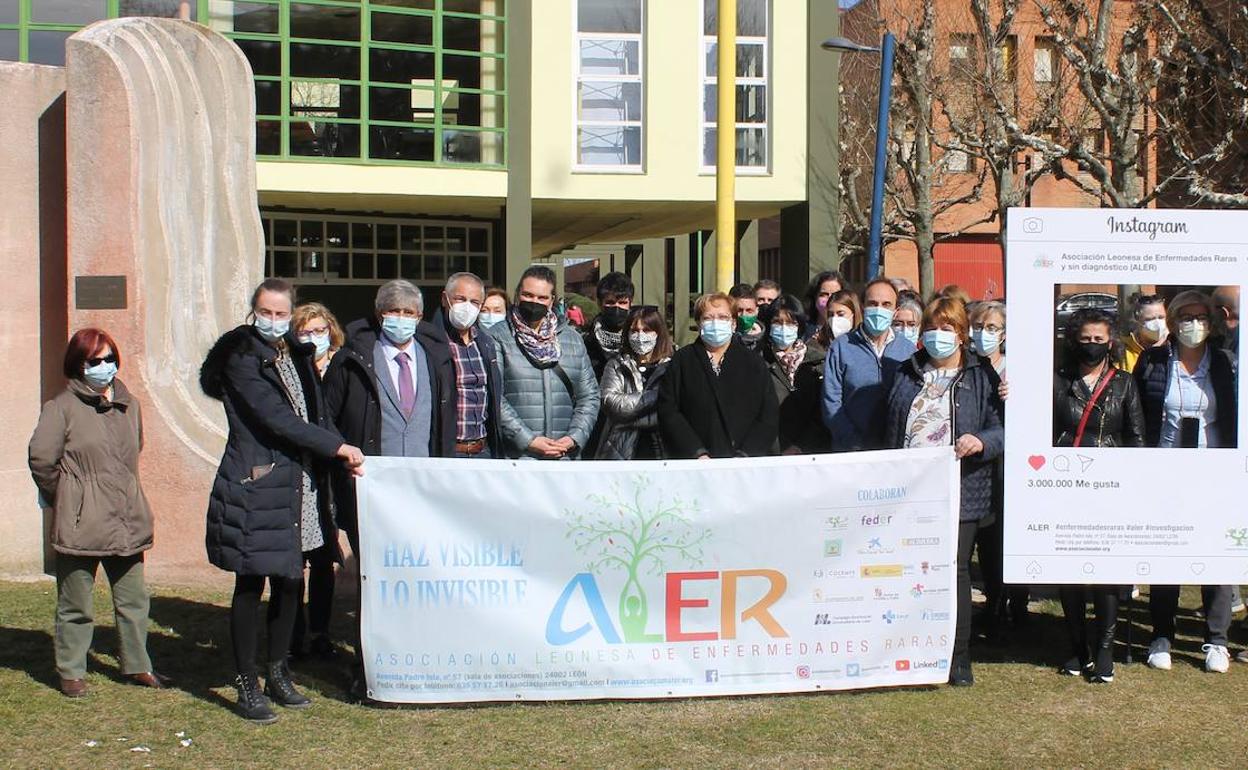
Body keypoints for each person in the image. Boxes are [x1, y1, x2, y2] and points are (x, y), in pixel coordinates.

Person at [200, 278, 364, 723]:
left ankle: (278, 671)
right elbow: (275, 420)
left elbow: (315, 414)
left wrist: (332, 450)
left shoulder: (296, 353)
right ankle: (246, 683)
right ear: (253, 311)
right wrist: (338, 447)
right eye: (264, 312)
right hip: (260, 482)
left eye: (280, 313)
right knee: (251, 583)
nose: (273, 321)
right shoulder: (241, 357)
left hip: (302, 483)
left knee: (292, 579)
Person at [28, 329, 164, 698]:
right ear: (78, 365)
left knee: (134, 600)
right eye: (95, 361)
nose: (105, 367)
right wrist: (72, 495)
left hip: (126, 518)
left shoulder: (128, 403)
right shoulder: (61, 408)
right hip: (81, 523)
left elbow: (134, 449)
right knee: (75, 603)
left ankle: (138, 664)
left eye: (110, 358)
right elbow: (42, 459)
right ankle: (72, 670)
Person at [884, 296, 1004, 687]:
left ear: (961, 334)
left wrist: (981, 441)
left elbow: (1003, 430)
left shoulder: (982, 376)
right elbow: (890, 422)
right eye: (932, 328)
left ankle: (958, 656)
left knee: (954, 571)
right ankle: (906, 649)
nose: (939, 335)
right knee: (907, 570)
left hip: (962, 487)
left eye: (948, 328)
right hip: (909, 490)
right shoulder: (906, 371)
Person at [1134, 290, 1238, 674]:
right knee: (1167, 552)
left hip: (1216, 471)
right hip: (1165, 471)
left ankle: (1217, 639)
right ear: (1173, 322)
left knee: (1217, 554)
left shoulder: (1227, 365)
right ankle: (1161, 635)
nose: (1193, 324)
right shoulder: (1154, 361)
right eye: (1185, 317)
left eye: (1201, 317)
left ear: (1211, 322)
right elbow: (1140, 410)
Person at [1051, 308, 1145, 682]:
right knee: (1070, 569)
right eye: (1086, 339)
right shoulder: (1058, 381)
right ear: (1075, 340)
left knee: (1107, 569)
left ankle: (1104, 648)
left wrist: (1136, 482)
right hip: (1066, 482)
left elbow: (1136, 434)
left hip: (1112, 483)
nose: (1093, 346)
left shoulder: (1124, 383)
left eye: (1099, 339)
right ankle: (1077, 647)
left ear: (1111, 342)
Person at [489, 265, 600, 459]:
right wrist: (528, 440)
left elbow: (589, 396)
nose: (534, 302)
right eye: (528, 295)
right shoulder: (498, 336)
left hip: (563, 456)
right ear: (517, 295)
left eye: (542, 298)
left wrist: (573, 438)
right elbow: (494, 397)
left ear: (552, 301)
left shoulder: (572, 339)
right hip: (516, 457)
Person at [288, 302, 347, 663]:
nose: (314, 338)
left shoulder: (342, 366)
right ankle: (293, 633)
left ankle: (321, 631)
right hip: (298, 472)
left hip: (332, 475)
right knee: (294, 560)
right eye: (306, 332)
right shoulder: (288, 369)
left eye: (320, 331)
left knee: (325, 558)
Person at [659, 293, 778, 458]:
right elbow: (669, 410)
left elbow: (768, 414)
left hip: (744, 462)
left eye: (723, 317)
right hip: (695, 461)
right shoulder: (682, 360)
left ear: (734, 324)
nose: (716, 323)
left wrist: (746, 454)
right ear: (699, 324)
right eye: (708, 318)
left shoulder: (753, 363)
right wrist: (697, 452)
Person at [822, 278, 914, 451]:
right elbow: (831, 403)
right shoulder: (841, 348)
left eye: (886, 304)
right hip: (851, 453)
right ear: (862, 308)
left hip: (895, 453)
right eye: (873, 303)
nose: (879, 309)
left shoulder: (908, 350)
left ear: (895, 311)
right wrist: (853, 443)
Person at [436, 272, 504, 458]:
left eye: (474, 302)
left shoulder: (485, 343)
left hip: (482, 450)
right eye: (460, 299)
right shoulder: (432, 344)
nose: (467, 307)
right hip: (447, 452)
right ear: (445, 299)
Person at [596, 306, 674, 460]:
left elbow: (676, 410)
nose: (640, 336)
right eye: (634, 330)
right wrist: (659, 395)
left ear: (658, 332)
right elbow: (612, 405)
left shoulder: (673, 365)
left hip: (665, 451)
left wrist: (630, 417)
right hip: (620, 450)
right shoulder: (616, 364)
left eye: (647, 330)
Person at [762, 294, 830, 453]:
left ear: (800, 325)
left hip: (812, 453)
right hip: (771, 453)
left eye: (791, 323)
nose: (784, 328)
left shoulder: (818, 361)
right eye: (777, 322)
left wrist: (800, 446)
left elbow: (823, 411)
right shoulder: (759, 361)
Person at [584, 271, 634, 380]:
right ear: (600, 303)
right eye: (610, 302)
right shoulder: (586, 342)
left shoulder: (639, 338)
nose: (616, 308)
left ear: (630, 303)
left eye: (622, 303)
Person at [293, 302, 344, 378]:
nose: (312, 338)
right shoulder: (291, 369)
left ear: (331, 331)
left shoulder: (343, 365)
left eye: (319, 331)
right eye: (303, 333)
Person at [1121, 294, 1168, 374]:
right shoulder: (1123, 351)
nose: (1157, 324)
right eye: (1150, 319)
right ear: (1137, 320)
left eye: (1161, 317)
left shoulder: (1175, 348)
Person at [803, 270, 845, 339]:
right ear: (814, 297)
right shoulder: (803, 330)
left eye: (836, 295)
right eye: (824, 295)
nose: (830, 299)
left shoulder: (850, 333)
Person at [730, 282, 765, 352]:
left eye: (749, 311)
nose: (744, 315)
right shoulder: (722, 340)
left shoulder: (765, 342)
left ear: (757, 311)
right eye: (739, 310)